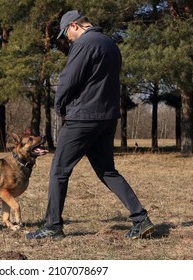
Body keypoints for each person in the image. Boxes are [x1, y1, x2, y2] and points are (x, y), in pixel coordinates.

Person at [26, 10, 155, 240]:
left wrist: (60, 107)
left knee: (59, 171)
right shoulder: (110, 44)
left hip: (83, 118)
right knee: (107, 171)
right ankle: (140, 219)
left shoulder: (85, 43)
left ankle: (52, 226)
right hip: (107, 118)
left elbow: (68, 79)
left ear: (74, 26)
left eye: (66, 34)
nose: (68, 39)